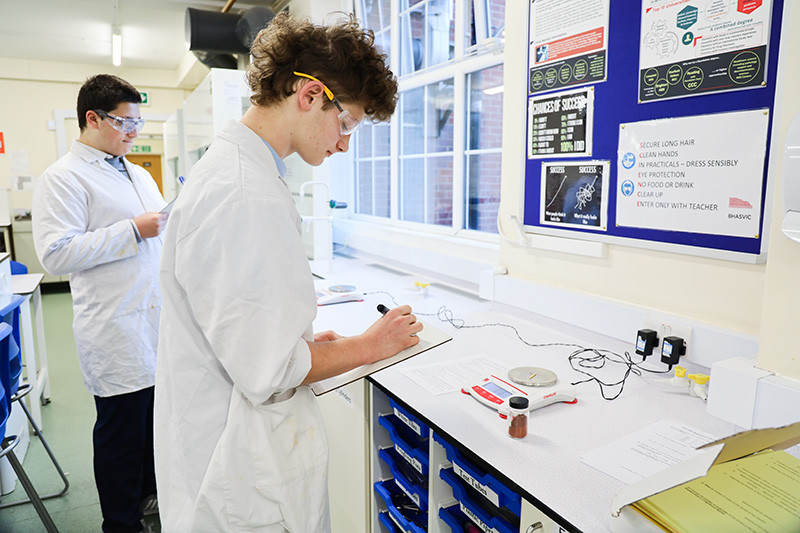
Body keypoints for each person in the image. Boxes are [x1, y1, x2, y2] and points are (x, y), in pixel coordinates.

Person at [154, 12, 420, 532]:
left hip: (221, 438)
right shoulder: (244, 193)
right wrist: (372, 344)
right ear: (308, 94)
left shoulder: (243, 172)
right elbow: (270, 371)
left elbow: (244, 327)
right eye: (345, 123)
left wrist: (298, 343)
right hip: (239, 474)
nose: (344, 143)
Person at [32, 74, 166, 533]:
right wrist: (132, 231)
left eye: (138, 122)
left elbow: (159, 234)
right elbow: (54, 254)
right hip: (116, 329)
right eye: (125, 122)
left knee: (153, 427)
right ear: (93, 118)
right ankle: (121, 524)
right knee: (121, 436)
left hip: (154, 321)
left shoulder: (140, 173)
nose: (134, 132)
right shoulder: (62, 178)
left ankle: (150, 504)